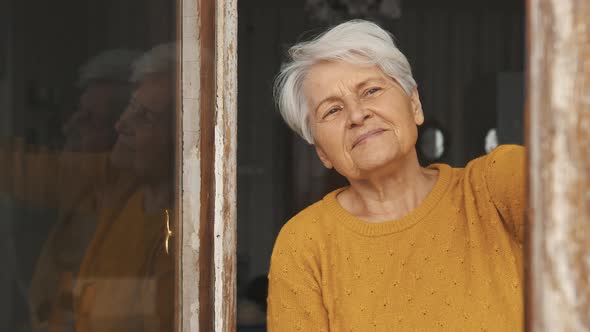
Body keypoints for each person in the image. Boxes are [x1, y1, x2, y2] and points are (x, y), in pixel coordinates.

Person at [267, 20, 525, 331]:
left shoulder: (492, 185)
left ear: (414, 104)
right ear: (321, 151)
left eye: (371, 91)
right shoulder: (305, 243)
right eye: (332, 110)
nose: (358, 115)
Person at [73, 43, 176, 332]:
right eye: (131, 108)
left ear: (181, 139)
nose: (121, 125)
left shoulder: (181, 236)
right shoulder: (127, 199)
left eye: (145, 117)